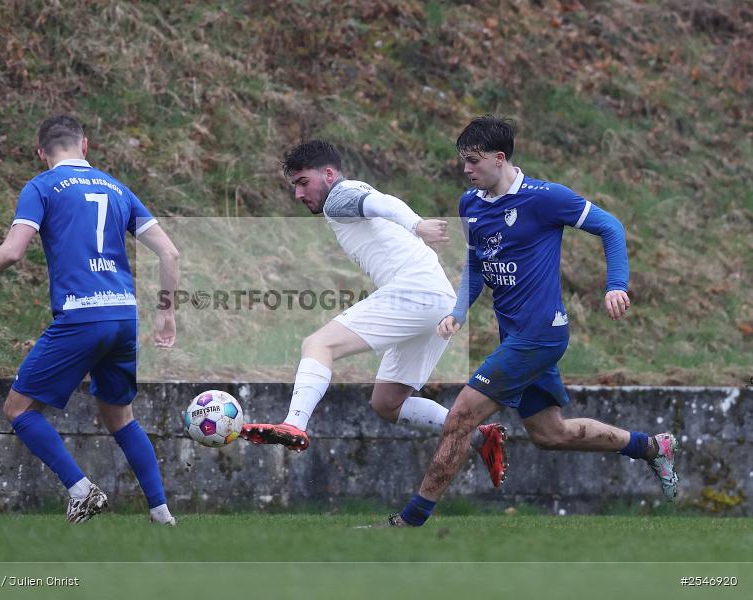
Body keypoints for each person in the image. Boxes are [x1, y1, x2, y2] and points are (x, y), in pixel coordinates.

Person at [388, 116, 678, 527]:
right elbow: (476, 262)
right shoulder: (470, 204)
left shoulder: (544, 198)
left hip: (541, 336)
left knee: (460, 418)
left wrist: (617, 285)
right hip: (515, 336)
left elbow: (610, 227)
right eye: (463, 162)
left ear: (500, 158)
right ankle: (650, 446)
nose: (466, 170)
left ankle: (411, 521)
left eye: (474, 161)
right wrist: (458, 311)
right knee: (550, 434)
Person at [0, 115, 180, 525]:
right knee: (120, 416)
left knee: (17, 410)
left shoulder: (42, 187)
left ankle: (81, 490)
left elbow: (12, 252)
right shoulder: (117, 188)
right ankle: (161, 512)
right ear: (86, 146)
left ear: (40, 153)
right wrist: (166, 312)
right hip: (122, 315)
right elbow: (169, 254)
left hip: (82, 316)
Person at [241, 140, 507, 488]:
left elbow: (381, 203)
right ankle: (479, 436)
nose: (298, 193)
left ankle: (294, 423)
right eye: (294, 186)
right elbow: (377, 205)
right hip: (437, 299)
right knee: (388, 403)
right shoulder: (347, 195)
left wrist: (417, 225)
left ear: (329, 174)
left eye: (303, 182)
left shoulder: (339, 196)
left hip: (417, 292)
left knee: (318, 345)